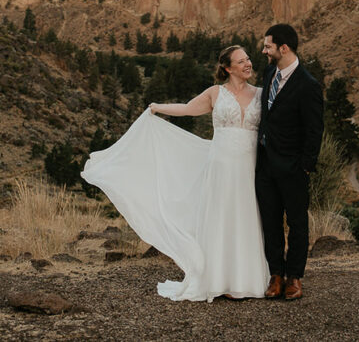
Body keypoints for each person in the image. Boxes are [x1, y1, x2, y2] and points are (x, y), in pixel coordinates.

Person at [80, 45, 270, 301]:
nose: (248, 63)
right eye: (241, 60)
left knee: (247, 216)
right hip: (221, 166)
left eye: (248, 59)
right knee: (221, 217)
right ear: (227, 68)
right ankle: (217, 280)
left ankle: (245, 280)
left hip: (249, 165)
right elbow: (188, 108)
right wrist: (158, 108)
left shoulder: (261, 94)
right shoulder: (216, 93)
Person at [256, 23, 323, 300]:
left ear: (283, 48)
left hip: (294, 168)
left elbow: (314, 130)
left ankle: (294, 277)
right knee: (270, 222)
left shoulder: (308, 85)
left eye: (268, 46)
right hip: (265, 165)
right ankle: (275, 275)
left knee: (297, 224)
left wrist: (305, 166)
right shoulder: (269, 72)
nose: (264, 50)